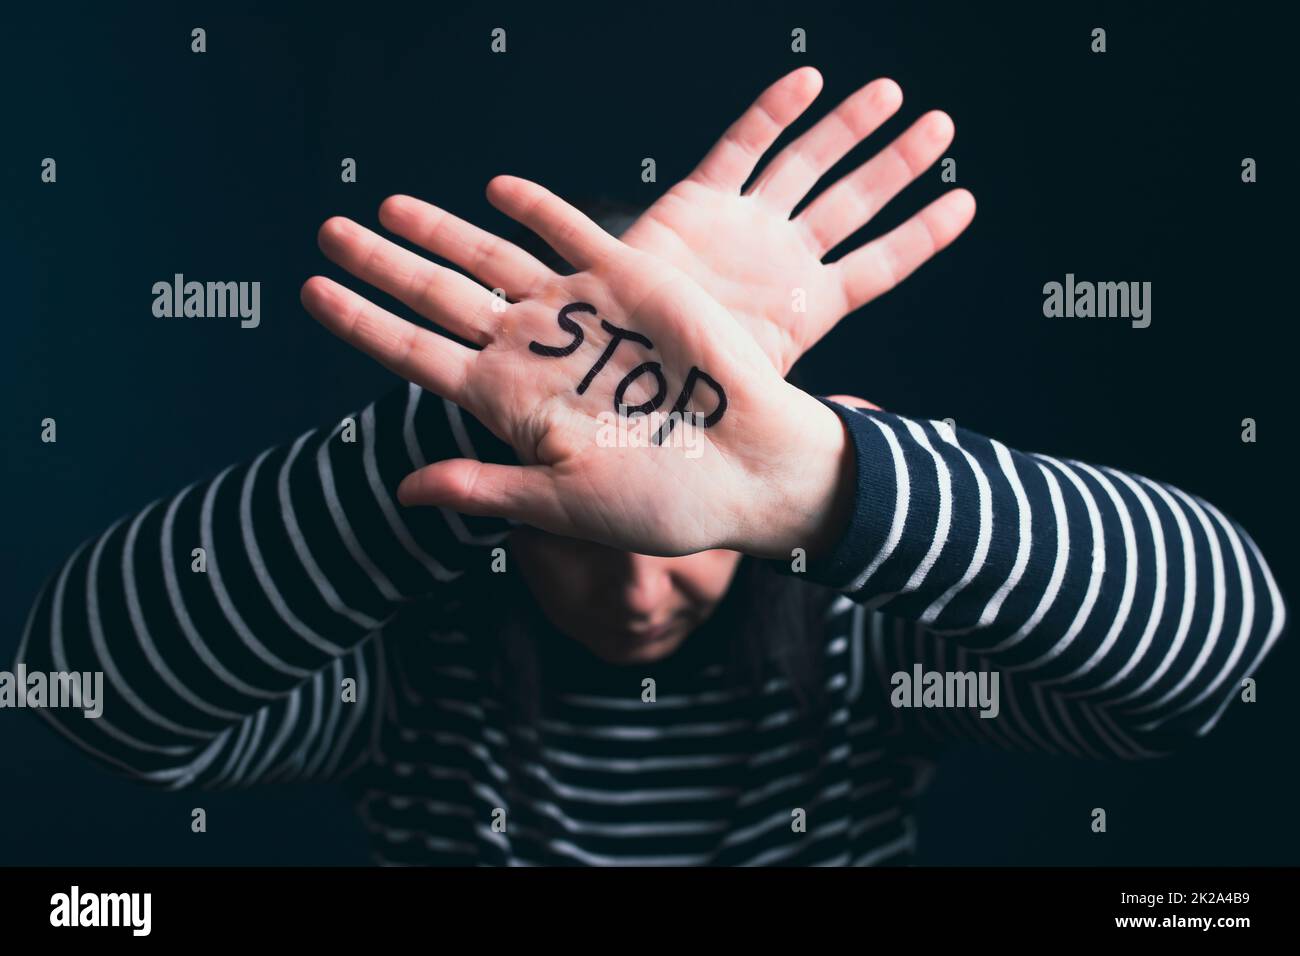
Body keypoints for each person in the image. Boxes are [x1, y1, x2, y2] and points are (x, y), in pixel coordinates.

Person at [15, 68, 1285, 866]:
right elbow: (83, 692)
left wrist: (831, 483)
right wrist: (479, 420)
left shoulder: (873, 646)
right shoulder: (404, 671)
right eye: (574, 518)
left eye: (686, 535)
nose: (637, 591)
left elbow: (1219, 653)